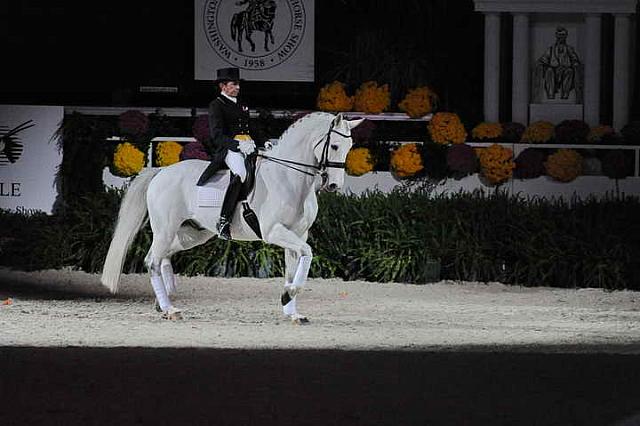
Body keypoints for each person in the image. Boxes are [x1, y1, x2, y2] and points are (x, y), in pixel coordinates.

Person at [197, 67, 258, 240]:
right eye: (234, 84)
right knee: (240, 173)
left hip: (249, 145)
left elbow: (251, 127)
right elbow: (216, 135)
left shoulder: (241, 103)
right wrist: (237, 145)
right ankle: (224, 219)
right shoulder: (217, 105)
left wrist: (264, 141)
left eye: (238, 84)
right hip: (230, 148)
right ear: (223, 86)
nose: (238, 87)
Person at [536, 26, 581, 100]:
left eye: (563, 35)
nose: (561, 37)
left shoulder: (569, 48)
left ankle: (565, 95)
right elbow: (543, 59)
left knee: (570, 71)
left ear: (565, 36)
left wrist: (575, 63)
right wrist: (540, 63)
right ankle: (550, 95)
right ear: (556, 36)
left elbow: (574, 58)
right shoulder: (551, 49)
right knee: (549, 71)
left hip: (565, 70)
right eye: (559, 35)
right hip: (554, 71)